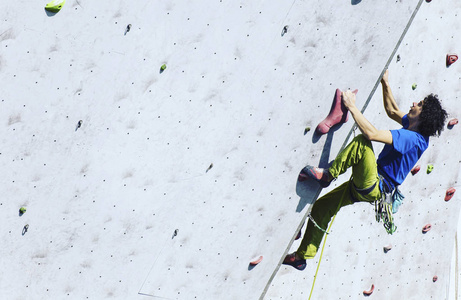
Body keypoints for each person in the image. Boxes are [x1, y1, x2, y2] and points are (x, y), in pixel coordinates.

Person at [283, 70, 448, 270]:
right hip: (371, 188)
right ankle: (302, 257)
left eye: (419, 105)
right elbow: (391, 110)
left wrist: (352, 106)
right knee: (321, 208)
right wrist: (385, 82)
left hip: (374, 184)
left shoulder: (412, 139)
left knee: (362, 144)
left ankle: (328, 175)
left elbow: (371, 134)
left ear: (423, 117)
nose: (414, 103)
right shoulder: (415, 130)